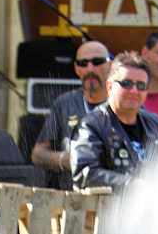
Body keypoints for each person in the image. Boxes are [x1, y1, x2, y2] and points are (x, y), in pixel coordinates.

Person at [70, 52, 158, 190]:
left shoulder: (157, 125)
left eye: (141, 86)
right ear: (109, 86)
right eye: (126, 83)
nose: (134, 91)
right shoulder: (91, 125)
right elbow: (85, 174)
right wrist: (130, 184)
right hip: (106, 209)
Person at [31, 40, 111, 190]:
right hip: (70, 197)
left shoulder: (123, 104)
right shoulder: (65, 103)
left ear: (110, 66)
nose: (90, 69)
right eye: (83, 63)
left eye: (97, 62)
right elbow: (37, 154)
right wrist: (64, 159)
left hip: (113, 198)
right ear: (76, 68)